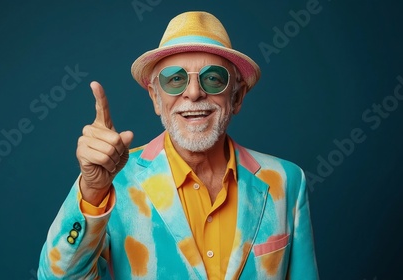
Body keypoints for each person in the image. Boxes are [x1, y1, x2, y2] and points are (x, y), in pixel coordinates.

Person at [38, 11, 318, 280]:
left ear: (237, 96)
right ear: (155, 98)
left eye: (213, 78)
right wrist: (93, 191)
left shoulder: (286, 181)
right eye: (175, 80)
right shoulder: (114, 184)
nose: (194, 93)